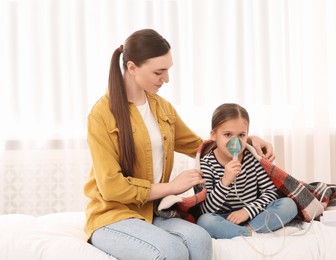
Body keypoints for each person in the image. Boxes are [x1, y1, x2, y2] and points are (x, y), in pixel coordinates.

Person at [84, 29, 275, 260]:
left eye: (168, 70)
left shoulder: (162, 108)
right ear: (132, 67)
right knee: (171, 250)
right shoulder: (101, 115)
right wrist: (172, 187)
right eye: (159, 71)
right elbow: (111, 187)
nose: (166, 79)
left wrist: (245, 140)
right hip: (113, 216)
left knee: (199, 239)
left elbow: (200, 145)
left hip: (154, 212)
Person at [196, 103, 298, 239]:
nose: (235, 142)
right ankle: (252, 234)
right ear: (214, 135)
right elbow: (207, 209)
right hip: (225, 219)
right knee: (205, 221)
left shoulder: (252, 158)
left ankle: (249, 230)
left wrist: (247, 211)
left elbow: (271, 193)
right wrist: (225, 181)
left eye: (241, 135)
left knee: (289, 205)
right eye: (227, 134)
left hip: (254, 215)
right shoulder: (207, 164)